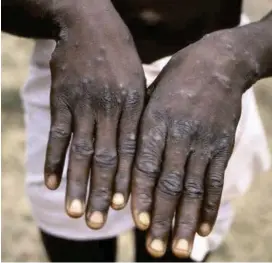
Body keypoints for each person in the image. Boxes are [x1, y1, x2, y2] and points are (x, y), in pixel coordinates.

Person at [2, 0, 272, 261]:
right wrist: (72, 9)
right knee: (73, 235)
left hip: (208, 87)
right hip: (78, 70)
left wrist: (237, 56)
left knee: (178, 238)